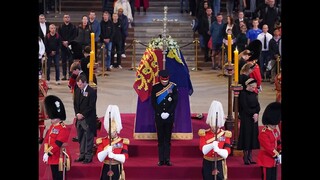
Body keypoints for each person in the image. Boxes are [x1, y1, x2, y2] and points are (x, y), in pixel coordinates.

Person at [199, 100, 232, 180]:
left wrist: (219, 150)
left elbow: (227, 150)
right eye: (212, 126)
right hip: (208, 162)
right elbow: (202, 149)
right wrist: (211, 145)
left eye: (216, 126)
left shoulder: (225, 134)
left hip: (220, 162)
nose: (214, 128)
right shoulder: (204, 133)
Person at [151, 69, 178, 166]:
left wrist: (168, 112)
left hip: (169, 117)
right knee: (160, 139)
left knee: (167, 139)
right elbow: (153, 102)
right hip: (159, 117)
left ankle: (167, 159)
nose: (164, 81)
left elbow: (174, 102)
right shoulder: (155, 87)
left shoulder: (173, 87)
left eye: (166, 80)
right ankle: (161, 160)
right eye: (163, 80)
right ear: (160, 79)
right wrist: (160, 112)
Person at [96, 105, 129, 180]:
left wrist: (114, 156)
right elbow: (100, 158)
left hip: (117, 167)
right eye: (110, 132)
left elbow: (124, 157)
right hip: (106, 166)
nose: (111, 134)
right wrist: (106, 151)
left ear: (116, 131)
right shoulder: (102, 141)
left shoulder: (122, 141)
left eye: (113, 132)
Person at [42, 95, 70, 180]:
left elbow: (58, 143)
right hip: (53, 157)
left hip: (59, 157)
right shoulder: (53, 126)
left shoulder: (63, 128)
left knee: (59, 177)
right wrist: (45, 151)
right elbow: (47, 139)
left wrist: (48, 153)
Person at [73, 74, 97, 164]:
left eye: (80, 85)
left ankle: (88, 156)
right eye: (78, 85)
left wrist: (82, 114)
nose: (79, 86)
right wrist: (77, 114)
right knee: (81, 137)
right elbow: (75, 104)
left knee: (88, 138)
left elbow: (91, 106)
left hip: (88, 119)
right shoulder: (78, 90)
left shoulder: (91, 92)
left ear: (85, 82)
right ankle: (82, 155)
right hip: (79, 119)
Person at [237, 78, 261, 165]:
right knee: (246, 136)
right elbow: (245, 107)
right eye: (252, 87)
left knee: (252, 136)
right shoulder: (243, 94)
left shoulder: (254, 94)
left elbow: (258, 106)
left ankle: (250, 156)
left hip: (254, 118)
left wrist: (256, 113)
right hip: (246, 118)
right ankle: (245, 156)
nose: (253, 88)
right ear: (247, 85)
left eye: (254, 87)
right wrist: (253, 114)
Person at [257, 102, 281, 180]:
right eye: (273, 125)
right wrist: (277, 155)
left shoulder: (275, 131)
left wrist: (280, 150)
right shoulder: (263, 133)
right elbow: (268, 148)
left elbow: (278, 142)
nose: (275, 127)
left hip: (274, 161)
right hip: (266, 160)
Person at [39, 77, 49, 144]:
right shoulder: (43, 81)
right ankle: (41, 137)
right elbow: (47, 88)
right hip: (42, 102)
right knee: (41, 121)